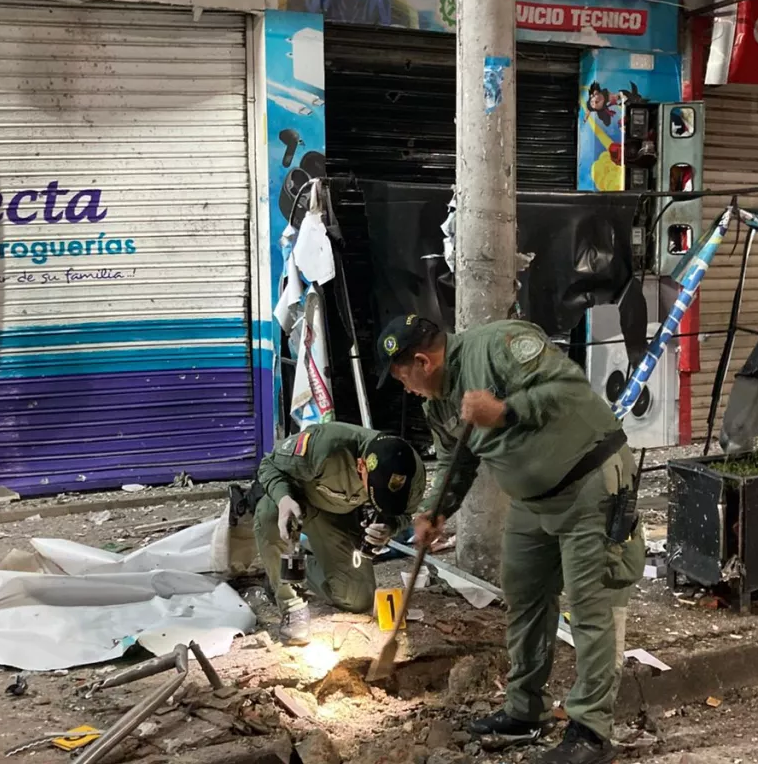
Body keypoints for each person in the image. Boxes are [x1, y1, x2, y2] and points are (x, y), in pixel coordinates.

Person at [377, 314, 645, 764]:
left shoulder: (500, 345)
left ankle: (591, 732)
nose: (406, 389)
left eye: (404, 378)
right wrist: (436, 511)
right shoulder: (438, 404)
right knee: (523, 593)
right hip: (532, 502)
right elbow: (455, 461)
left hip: (590, 482)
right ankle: (526, 710)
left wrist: (505, 411)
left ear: (422, 361)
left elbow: (569, 390)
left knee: (590, 603)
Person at [254, 422, 425, 646]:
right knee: (269, 513)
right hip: (301, 504)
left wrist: (389, 527)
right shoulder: (325, 446)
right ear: (361, 465)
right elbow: (268, 465)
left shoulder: (412, 472)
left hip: (341, 519)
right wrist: (283, 498)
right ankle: (290, 602)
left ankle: (296, 567)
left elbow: (405, 515)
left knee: (357, 599)